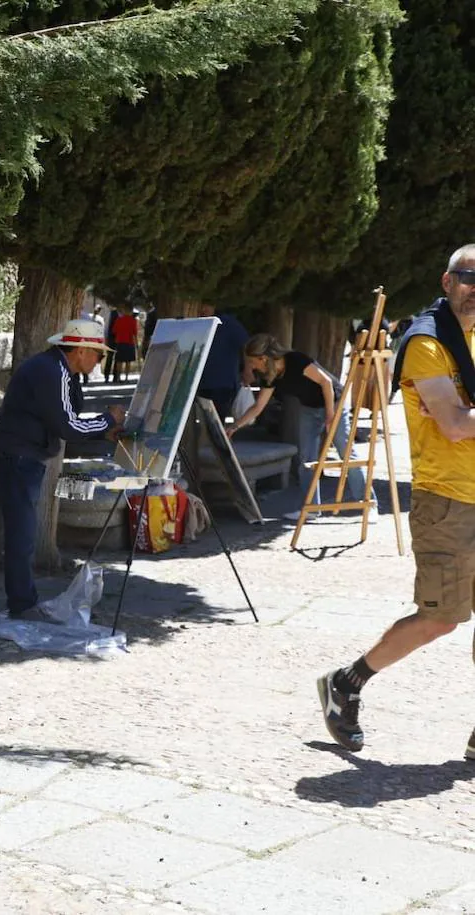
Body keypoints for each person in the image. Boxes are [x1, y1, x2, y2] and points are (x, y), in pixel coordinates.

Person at [317, 244, 475, 760]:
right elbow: (454, 426)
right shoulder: (427, 341)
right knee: (440, 618)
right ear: (447, 280)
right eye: (468, 278)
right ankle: (348, 680)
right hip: (449, 502)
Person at [0, 319, 125, 618]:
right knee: (22, 534)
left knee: (22, 531)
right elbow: (67, 426)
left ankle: (23, 600)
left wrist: (101, 432)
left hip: (21, 455)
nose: (100, 360)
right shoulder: (53, 371)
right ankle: (22, 605)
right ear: (80, 350)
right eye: (98, 354)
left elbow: (62, 418)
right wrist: (108, 420)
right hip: (18, 457)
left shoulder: (60, 370)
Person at [231, 334, 373, 522]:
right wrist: (235, 426)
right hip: (310, 408)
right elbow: (258, 407)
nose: (251, 367)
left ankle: (368, 503)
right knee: (306, 459)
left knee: (345, 451)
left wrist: (330, 416)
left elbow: (326, 383)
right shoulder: (270, 375)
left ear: (263, 358)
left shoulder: (296, 360)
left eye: (252, 362)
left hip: (334, 402)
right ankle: (312, 508)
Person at [196, 304, 250, 422]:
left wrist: (247, 369)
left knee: (216, 420)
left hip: (223, 383)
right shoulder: (199, 324)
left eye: (207, 305)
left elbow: (247, 346)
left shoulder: (228, 323)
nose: (203, 309)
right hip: (201, 381)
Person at [109, 305, 139, 383]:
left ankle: (118, 377)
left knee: (119, 361)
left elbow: (114, 331)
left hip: (120, 342)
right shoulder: (133, 320)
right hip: (129, 342)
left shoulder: (119, 320)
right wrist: (137, 344)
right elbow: (135, 333)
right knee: (128, 361)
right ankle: (126, 378)